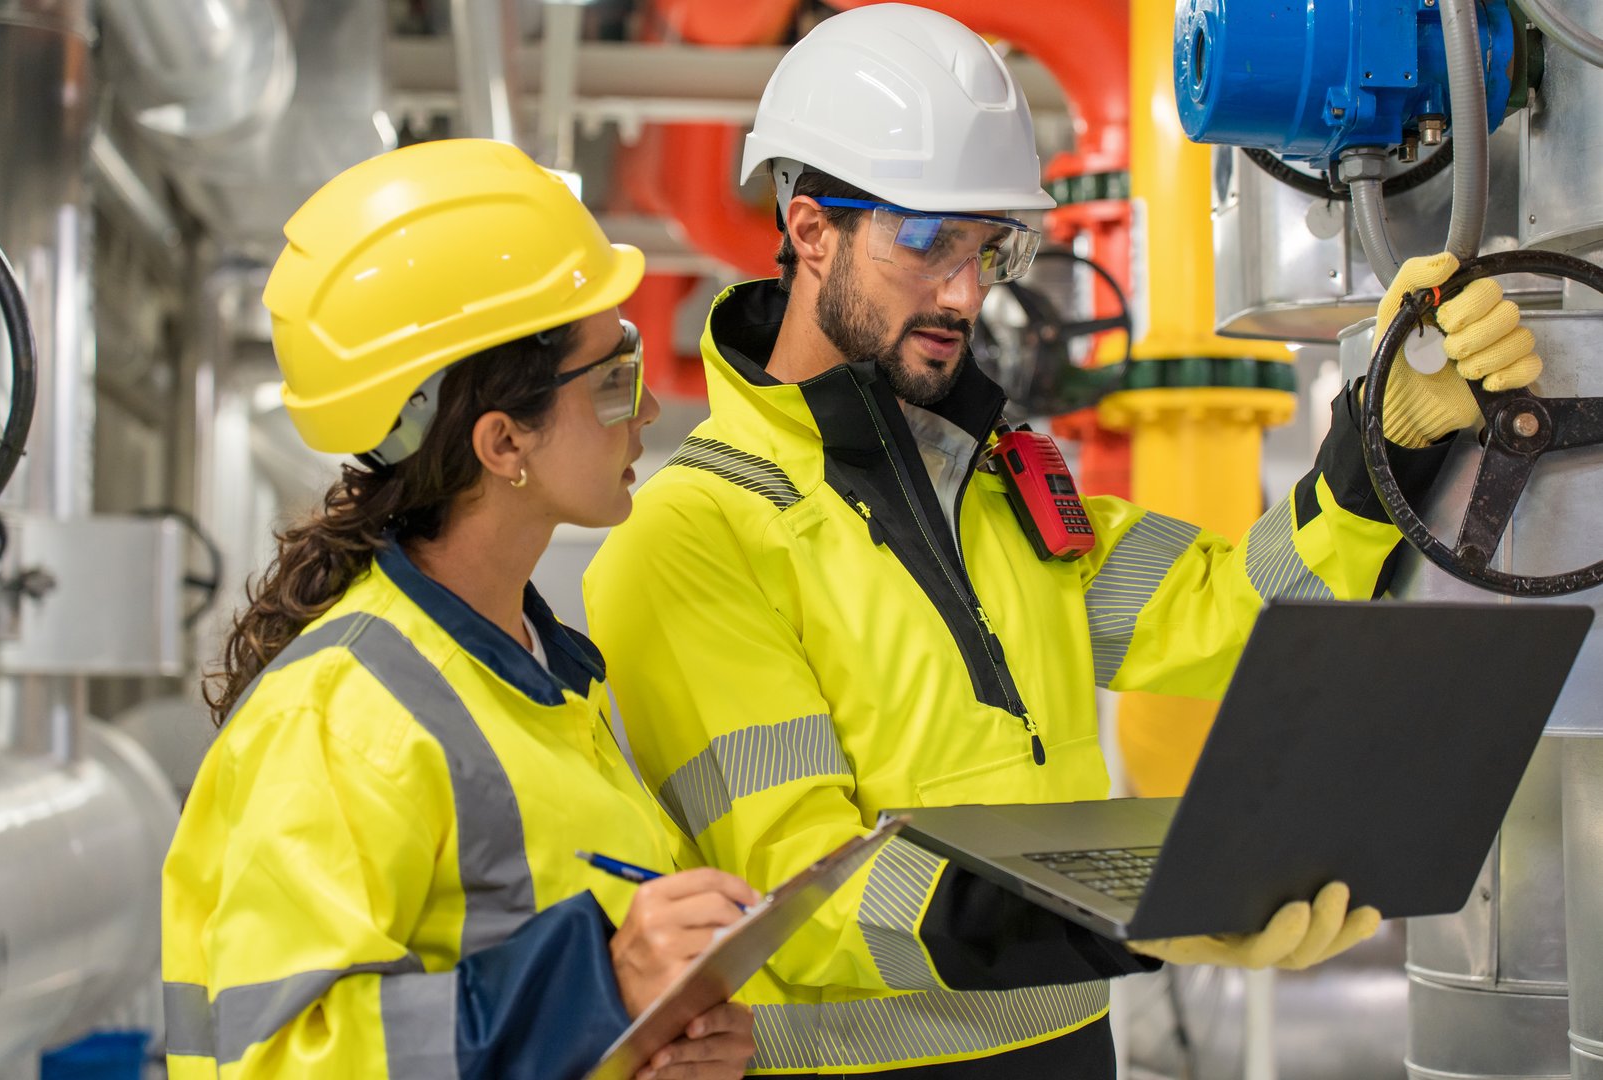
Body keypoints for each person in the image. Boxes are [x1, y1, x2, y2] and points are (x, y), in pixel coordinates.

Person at [581, 4, 1544, 1077]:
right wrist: (1124, 918)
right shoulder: (689, 537)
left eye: (990, 245)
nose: (964, 291)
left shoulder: (998, 484)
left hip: (1078, 1051)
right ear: (811, 230)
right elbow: (808, 890)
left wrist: (1383, 439)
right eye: (923, 241)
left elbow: (1225, 613)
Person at [160, 139, 760, 1080]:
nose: (644, 411)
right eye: (614, 378)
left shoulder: (544, 679)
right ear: (500, 439)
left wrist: (660, 1035)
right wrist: (598, 989)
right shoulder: (346, 717)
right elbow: (278, 1061)